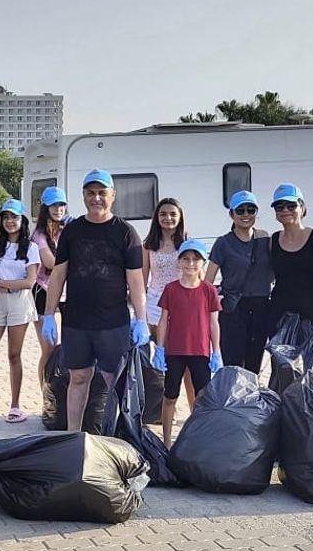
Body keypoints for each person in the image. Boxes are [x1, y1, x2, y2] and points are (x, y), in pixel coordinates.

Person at [41, 169, 150, 432]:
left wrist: (141, 319)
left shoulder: (126, 233)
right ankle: (73, 436)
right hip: (77, 320)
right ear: (83, 196)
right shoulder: (72, 231)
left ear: (113, 195)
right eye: (90, 193)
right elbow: (58, 274)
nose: (96, 198)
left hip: (113, 321)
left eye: (102, 193)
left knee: (113, 380)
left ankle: (112, 436)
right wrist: (49, 314)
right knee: (79, 377)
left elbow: (136, 280)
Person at [0, 199, 40, 425]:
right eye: (6, 217)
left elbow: (29, 282)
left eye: (14, 217)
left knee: (14, 354)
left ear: (22, 220)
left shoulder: (31, 248)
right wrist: (4, 286)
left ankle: (15, 406)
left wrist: (1, 282)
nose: (10, 221)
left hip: (19, 304)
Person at [152, 239, 222, 444]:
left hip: (200, 352)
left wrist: (216, 351)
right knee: (170, 396)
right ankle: (166, 441)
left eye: (195, 259)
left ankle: (201, 440)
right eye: (186, 259)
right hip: (175, 351)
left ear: (203, 262)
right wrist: (160, 348)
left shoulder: (208, 290)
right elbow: (163, 320)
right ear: (179, 261)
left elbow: (214, 323)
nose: (191, 263)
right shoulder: (171, 289)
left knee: (202, 398)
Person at [268, 183, 313, 374]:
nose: (285, 210)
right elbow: (266, 276)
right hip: (280, 316)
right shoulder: (273, 241)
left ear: (302, 207)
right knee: (283, 373)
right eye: (279, 206)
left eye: (291, 205)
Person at [205, 190, 274, 373]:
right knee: (233, 365)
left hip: (260, 306)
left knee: (254, 364)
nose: (246, 214)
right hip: (233, 308)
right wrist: (207, 309)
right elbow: (208, 281)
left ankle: (252, 392)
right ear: (231, 214)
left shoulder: (265, 239)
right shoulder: (223, 243)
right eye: (240, 210)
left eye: (251, 210)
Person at [30, 186, 67, 389]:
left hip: (66, 292)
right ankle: (45, 390)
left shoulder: (67, 230)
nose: (58, 209)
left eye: (61, 205)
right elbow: (50, 262)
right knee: (49, 348)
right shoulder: (39, 235)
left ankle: (61, 390)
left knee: (70, 345)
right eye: (54, 205)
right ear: (46, 208)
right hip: (42, 293)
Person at [143, 197, 187, 342]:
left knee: (181, 344)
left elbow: (199, 277)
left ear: (180, 217)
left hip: (182, 299)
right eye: (163, 214)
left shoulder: (187, 244)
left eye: (173, 214)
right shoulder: (148, 245)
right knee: (160, 345)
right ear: (157, 217)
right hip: (156, 301)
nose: (168, 218)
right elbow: (142, 279)